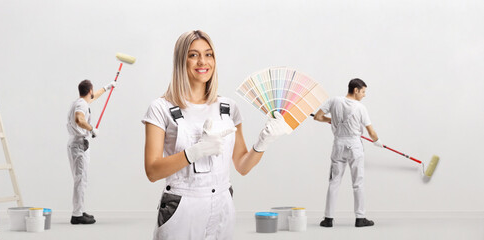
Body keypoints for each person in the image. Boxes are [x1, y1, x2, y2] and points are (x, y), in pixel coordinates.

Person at [142, 30, 292, 239]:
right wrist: (194, 152)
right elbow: (152, 171)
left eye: (209, 54)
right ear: (180, 61)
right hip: (182, 207)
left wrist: (263, 142)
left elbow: (242, 165)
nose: (202, 61)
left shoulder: (228, 107)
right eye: (193, 55)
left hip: (222, 204)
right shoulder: (160, 108)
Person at [313, 78, 382, 228]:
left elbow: (318, 117)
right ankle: (360, 218)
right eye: (363, 91)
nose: (364, 95)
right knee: (358, 183)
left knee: (334, 182)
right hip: (355, 146)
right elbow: (372, 133)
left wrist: (330, 120)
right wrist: (377, 140)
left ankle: (328, 219)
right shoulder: (361, 108)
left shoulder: (333, 101)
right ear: (356, 90)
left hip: (338, 144)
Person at [67, 79, 116, 224]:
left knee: (81, 179)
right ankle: (77, 215)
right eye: (93, 91)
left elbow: (93, 97)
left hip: (78, 143)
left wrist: (107, 88)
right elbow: (79, 119)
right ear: (90, 90)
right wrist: (91, 129)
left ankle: (79, 210)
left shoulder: (80, 101)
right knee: (80, 180)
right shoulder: (81, 104)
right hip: (79, 145)